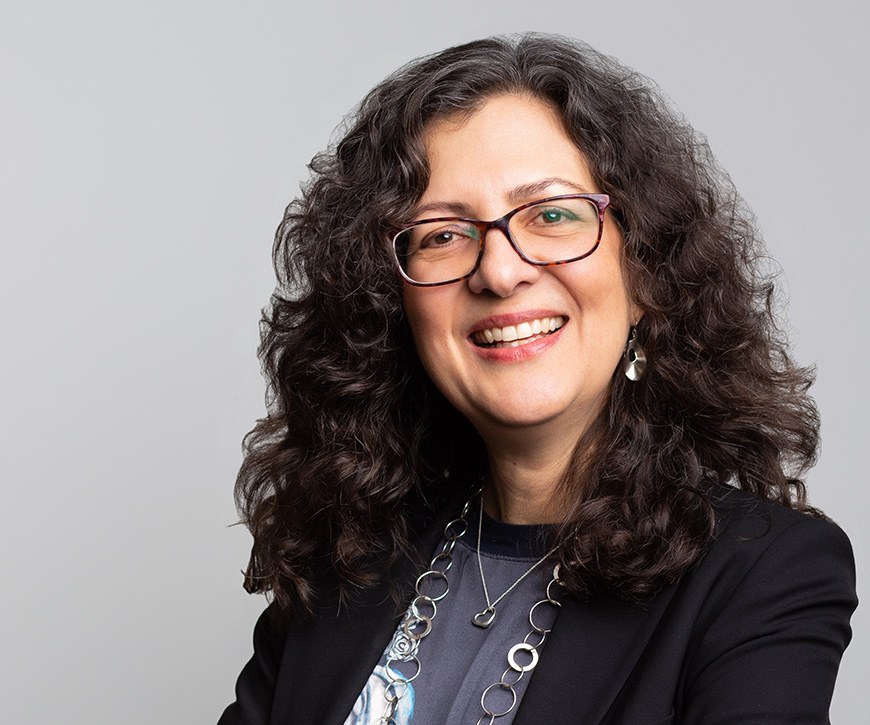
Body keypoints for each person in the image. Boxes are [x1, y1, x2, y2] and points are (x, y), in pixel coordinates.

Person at [218, 34, 857, 724]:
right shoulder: (345, 557)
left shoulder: (765, 574)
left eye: (552, 215)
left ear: (646, 273)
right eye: (442, 234)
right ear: (392, 303)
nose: (499, 271)